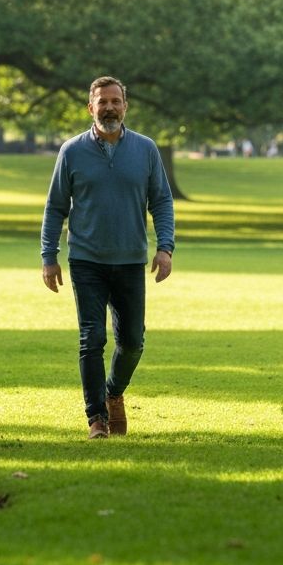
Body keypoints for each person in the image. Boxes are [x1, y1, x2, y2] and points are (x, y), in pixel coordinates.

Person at [40, 76, 175, 439]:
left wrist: (165, 247)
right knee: (92, 338)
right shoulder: (71, 151)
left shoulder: (146, 150)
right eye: (103, 102)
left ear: (125, 106)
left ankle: (114, 393)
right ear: (91, 107)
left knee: (133, 341)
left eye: (116, 101)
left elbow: (161, 200)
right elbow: (55, 208)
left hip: (131, 259)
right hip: (86, 259)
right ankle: (96, 417)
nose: (110, 107)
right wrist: (49, 255)